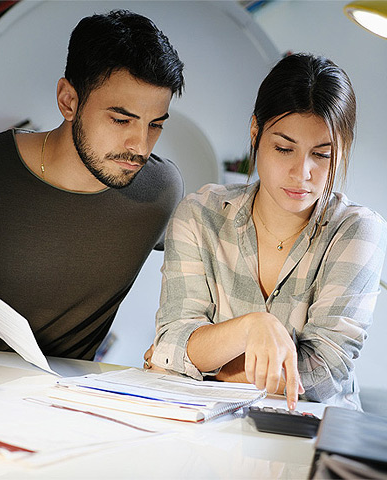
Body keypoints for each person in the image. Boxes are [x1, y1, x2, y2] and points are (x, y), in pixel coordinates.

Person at [0, 9, 184, 360]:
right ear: (68, 100)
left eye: (155, 125)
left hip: (62, 405)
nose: (140, 146)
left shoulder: (159, 192)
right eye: (120, 120)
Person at [147, 53, 387, 411]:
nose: (301, 172)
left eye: (322, 155)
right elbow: (174, 337)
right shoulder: (200, 214)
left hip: (311, 436)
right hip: (205, 432)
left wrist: (201, 367)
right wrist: (250, 327)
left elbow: (324, 374)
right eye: (284, 148)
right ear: (255, 133)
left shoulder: (356, 232)